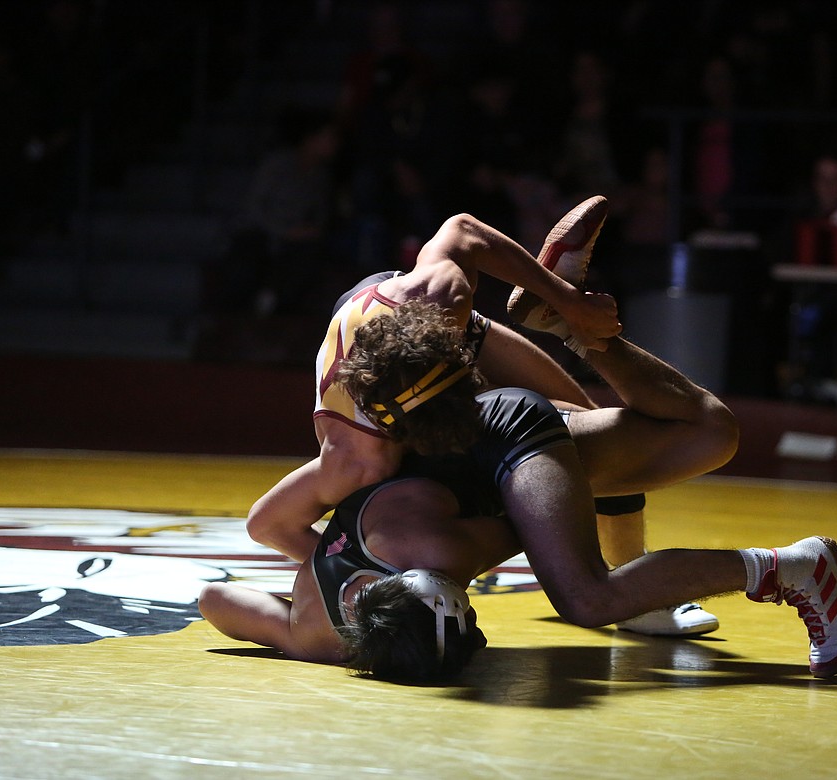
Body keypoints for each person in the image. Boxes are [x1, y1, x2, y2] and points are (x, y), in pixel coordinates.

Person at [200, 300, 837, 682]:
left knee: (584, 595)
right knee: (705, 438)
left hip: (505, 428)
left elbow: (531, 528)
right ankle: (568, 329)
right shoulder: (313, 630)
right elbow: (214, 597)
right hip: (452, 445)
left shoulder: (415, 548)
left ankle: (796, 568)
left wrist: (626, 572)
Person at [246, 196, 721, 636]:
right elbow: (265, 524)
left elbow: (463, 230)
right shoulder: (357, 458)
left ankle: (633, 585)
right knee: (570, 454)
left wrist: (567, 300)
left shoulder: (439, 298)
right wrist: (358, 574)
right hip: (400, 366)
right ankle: (634, 590)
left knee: (582, 435)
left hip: (418, 333)